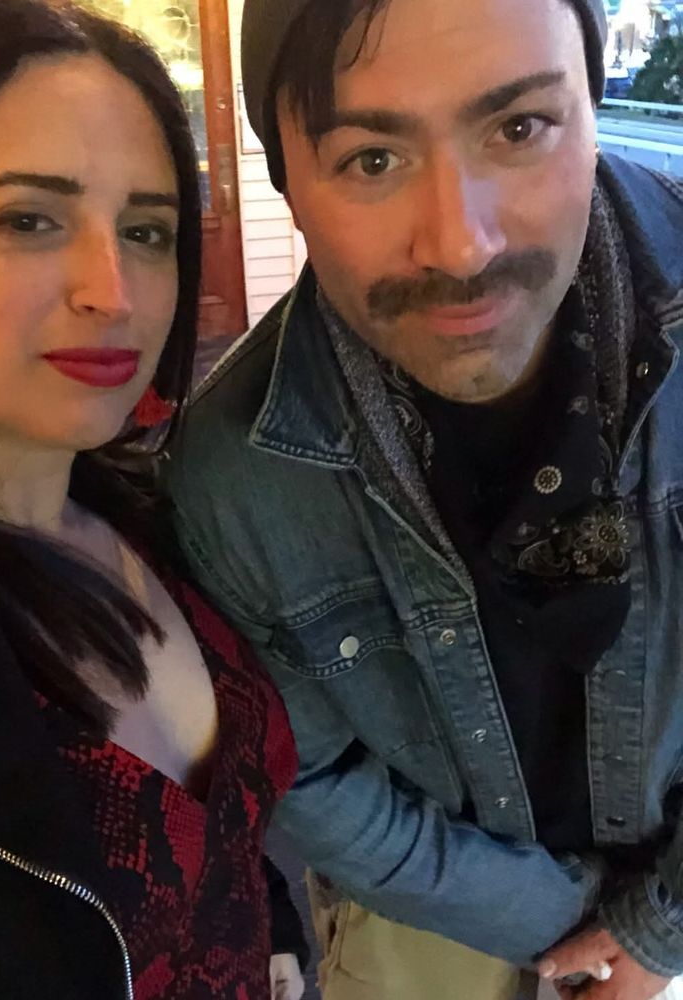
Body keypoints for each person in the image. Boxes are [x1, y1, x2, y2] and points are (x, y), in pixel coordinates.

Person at [164, 0, 683, 997]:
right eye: (371, 159)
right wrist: (578, 932)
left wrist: (656, 922)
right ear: (287, 182)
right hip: (443, 908)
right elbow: (313, 778)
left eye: (519, 127)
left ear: (594, 104)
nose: (460, 245)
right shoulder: (233, 474)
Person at [0, 1, 310, 997]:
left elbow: (229, 848)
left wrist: (280, 943)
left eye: (147, 231)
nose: (112, 290)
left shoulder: (157, 513)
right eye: (29, 220)